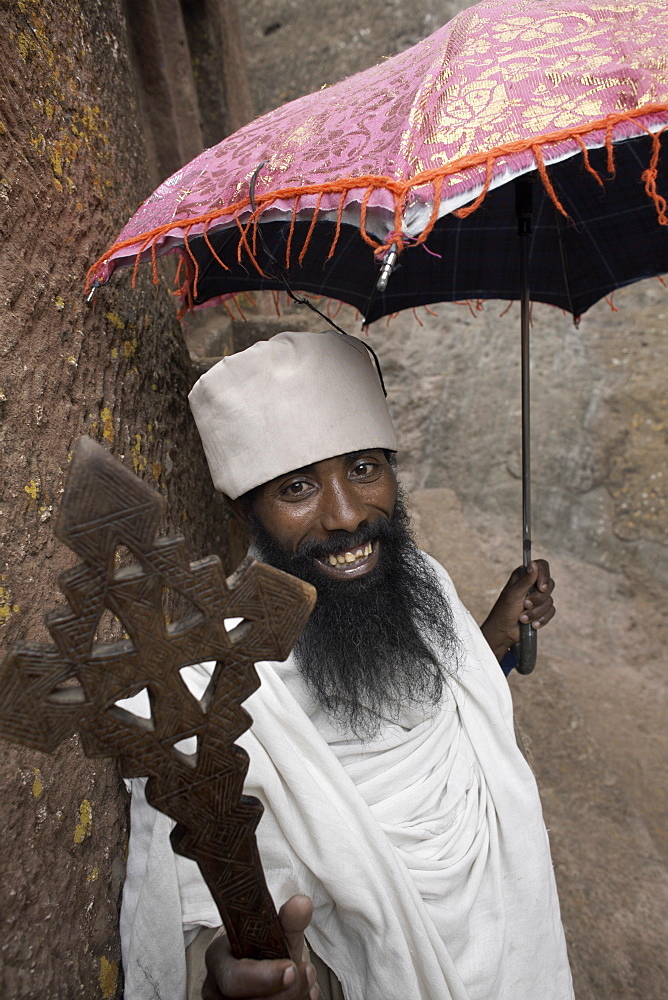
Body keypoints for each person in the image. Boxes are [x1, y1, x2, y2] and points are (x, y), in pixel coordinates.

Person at [121, 330, 572, 1000]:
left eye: (364, 468)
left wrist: (493, 638)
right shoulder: (212, 686)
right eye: (298, 486)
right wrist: (227, 970)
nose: (347, 514)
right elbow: (202, 899)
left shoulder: (423, 581)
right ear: (247, 511)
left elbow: (437, 706)